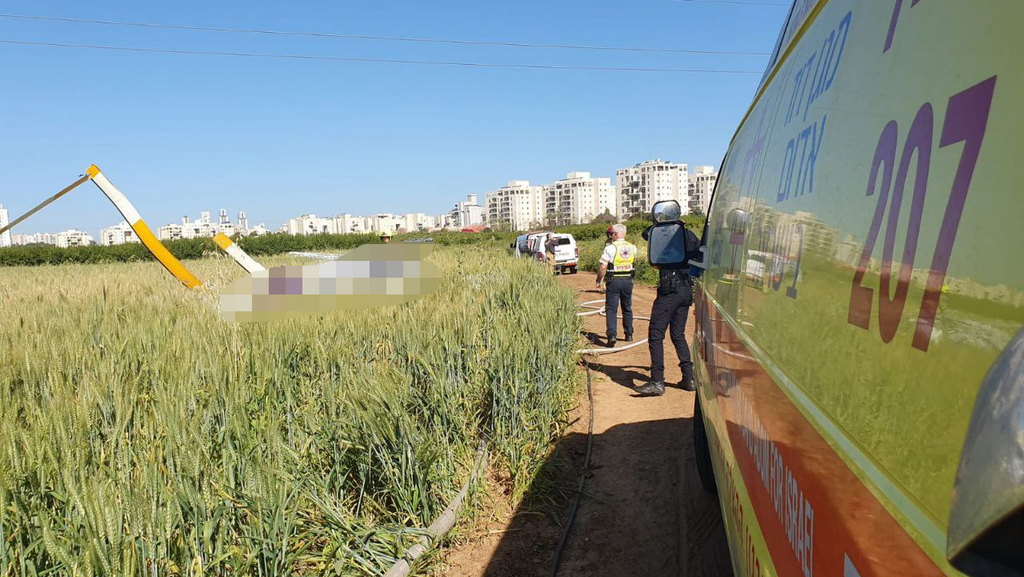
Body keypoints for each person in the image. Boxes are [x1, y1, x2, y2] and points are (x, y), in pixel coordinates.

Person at [634, 221, 702, 396]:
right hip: (686, 290)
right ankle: (689, 378)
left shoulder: (666, 236)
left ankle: (657, 381)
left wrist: (661, 224)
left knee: (655, 334)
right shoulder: (690, 235)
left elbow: (646, 234)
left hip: (670, 290)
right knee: (678, 335)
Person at [595, 224, 637, 347]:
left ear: (616, 234)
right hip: (628, 280)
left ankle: (612, 335)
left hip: (613, 280)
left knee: (611, 309)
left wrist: (598, 281)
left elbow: (603, 267)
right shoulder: (632, 247)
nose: (611, 235)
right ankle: (629, 333)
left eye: (612, 233)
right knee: (627, 307)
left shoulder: (610, 248)